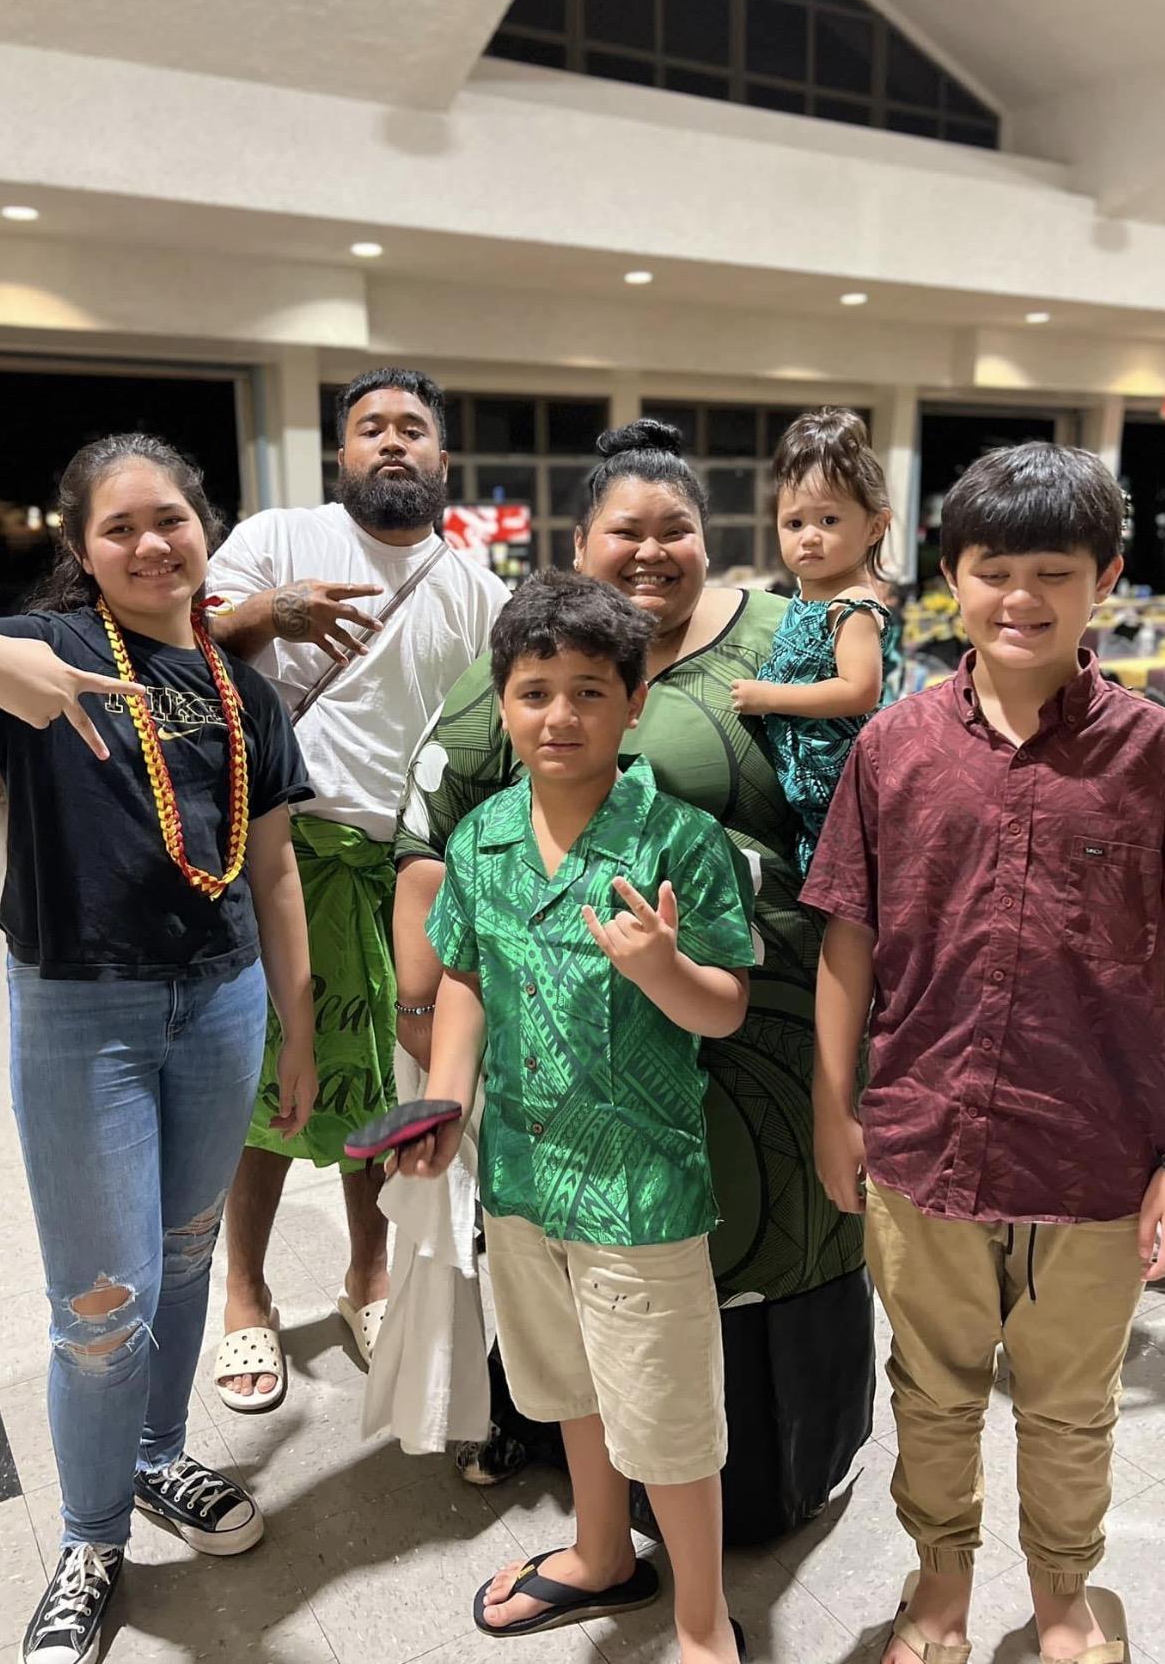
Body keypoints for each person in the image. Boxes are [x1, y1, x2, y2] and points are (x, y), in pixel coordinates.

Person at [394, 418, 875, 1541]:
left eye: (679, 530)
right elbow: (434, 837)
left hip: (774, 1038)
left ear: (715, 538)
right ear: (578, 540)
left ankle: (736, 1526)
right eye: (626, 531)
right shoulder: (538, 662)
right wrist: (433, 1040)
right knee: (578, 1322)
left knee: (731, 1311)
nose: (653, 551)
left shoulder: (789, 636)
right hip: (564, 1086)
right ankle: (604, 1530)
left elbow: (873, 817)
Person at [803, 442, 1165, 1664]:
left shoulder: (1164, 763)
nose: (1021, 598)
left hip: (1099, 1152)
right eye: (994, 570)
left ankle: (1062, 1602)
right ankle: (937, 1591)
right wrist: (837, 1110)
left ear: (1106, 578)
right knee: (928, 1392)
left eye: (1055, 570)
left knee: (1071, 1404)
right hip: (923, 1140)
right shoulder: (895, 749)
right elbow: (849, 935)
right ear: (949, 576)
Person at [0, 433, 318, 1664]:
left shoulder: (247, 690)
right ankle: (89, 1541)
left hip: (225, 997)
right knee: (102, 1303)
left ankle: (151, 1458)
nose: (152, 542)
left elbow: (279, 865)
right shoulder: (51, 657)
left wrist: (298, 1027)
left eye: (172, 518)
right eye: (120, 526)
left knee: (185, 1256)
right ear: (81, 553)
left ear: (207, 529)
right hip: (85, 1008)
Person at [395, 571, 755, 1661]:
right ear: (502, 700)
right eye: (536, 689)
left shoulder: (677, 842)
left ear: (634, 701)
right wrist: (447, 1100)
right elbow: (462, 972)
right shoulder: (484, 836)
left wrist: (662, 970)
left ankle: (703, 1623)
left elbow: (729, 1006)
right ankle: (602, 1553)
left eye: (590, 691)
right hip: (519, 1174)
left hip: (640, 1187)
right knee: (568, 1385)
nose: (561, 715)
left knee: (670, 1416)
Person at [205, 367, 507, 1405]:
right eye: (370, 427)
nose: (391, 442)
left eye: (411, 428)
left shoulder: (476, 588)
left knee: (377, 1086)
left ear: (442, 459)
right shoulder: (278, 539)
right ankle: (244, 1295)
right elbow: (181, 649)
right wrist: (267, 614)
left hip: (411, 871)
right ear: (341, 453)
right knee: (271, 1088)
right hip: (290, 860)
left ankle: (367, 1271)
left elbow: (498, 730)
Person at [729, 409, 896, 875]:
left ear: (875, 526)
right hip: (807, 796)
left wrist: (769, 697)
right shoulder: (802, 603)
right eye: (794, 524)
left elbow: (859, 690)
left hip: (839, 793)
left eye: (828, 520)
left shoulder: (852, 606)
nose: (810, 538)